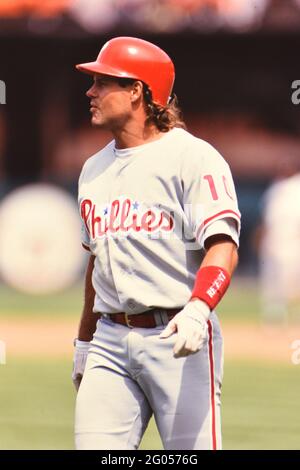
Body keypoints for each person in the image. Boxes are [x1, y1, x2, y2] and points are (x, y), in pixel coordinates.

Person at [72, 36, 241, 450]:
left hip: (179, 335)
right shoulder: (92, 170)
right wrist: (84, 342)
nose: (90, 92)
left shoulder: (193, 157)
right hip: (110, 341)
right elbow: (97, 267)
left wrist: (200, 309)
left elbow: (224, 246)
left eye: (102, 82)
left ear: (137, 91)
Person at [256, 155, 300, 324]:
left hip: (294, 244)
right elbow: (266, 219)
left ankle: (295, 319)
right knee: (272, 286)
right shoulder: (275, 188)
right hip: (273, 243)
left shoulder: (296, 188)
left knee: (294, 285)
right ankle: (274, 320)